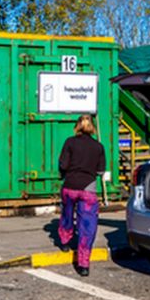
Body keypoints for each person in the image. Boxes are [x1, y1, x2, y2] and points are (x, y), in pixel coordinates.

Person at [58, 114, 106, 277]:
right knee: (87, 227)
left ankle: (65, 241)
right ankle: (84, 265)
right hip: (88, 190)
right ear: (92, 127)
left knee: (66, 214)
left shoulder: (69, 142)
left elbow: (63, 164)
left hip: (70, 186)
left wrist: (64, 173)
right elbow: (100, 171)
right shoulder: (98, 147)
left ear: (77, 126)